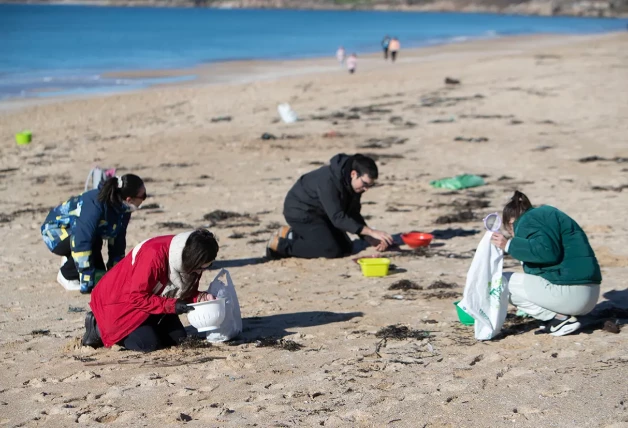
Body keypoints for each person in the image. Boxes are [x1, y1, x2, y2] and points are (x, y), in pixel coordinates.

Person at [82, 229, 220, 352]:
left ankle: (148, 325)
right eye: (201, 267)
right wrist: (172, 306)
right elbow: (137, 297)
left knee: (178, 339)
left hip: (152, 300)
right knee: (147, 344)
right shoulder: (153, 255)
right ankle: (97, 326)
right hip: (119, 303)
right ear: (193, 259)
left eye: (207, 266)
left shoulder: (190, 256)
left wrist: (201, 297)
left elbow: (184, 293)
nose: (201, 271)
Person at [491, 191, 602, 337]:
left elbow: (546, 252)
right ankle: (559, 317)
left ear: (511, 223)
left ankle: (559, 318)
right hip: (589, 297)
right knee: (520, 285)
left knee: (499, 281)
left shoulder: (528, 219)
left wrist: (508, 245)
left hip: (572, 296)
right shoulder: (545, 216)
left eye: (509, 230)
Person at [266, 153, 393, 259]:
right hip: (301, 212)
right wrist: (371, 231)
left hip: (323, 213)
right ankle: (279, 245)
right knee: (331, 250)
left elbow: (352, 213)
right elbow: (338, 218)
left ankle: (290, 234)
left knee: (346, 247)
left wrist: (368, 238)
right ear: (353, 174)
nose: (366, 189)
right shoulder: (329, 181)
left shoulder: (353, 185)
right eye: (365, 183)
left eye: (370, 185)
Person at [41, 174, 146, 294]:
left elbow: (118, 239)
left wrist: (117, 273)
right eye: (143, 196)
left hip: (82, 233)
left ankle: (71, 260)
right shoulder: (95, 204)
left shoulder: (124, 209)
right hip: (56, 232)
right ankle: (67, 275)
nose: (144, 199)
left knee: (101, 276)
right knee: (91, 242)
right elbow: (82, 240)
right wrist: (86, 281)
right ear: (129, 198)